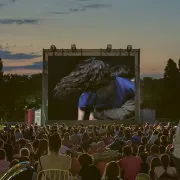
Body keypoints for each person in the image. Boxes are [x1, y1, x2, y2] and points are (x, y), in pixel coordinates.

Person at [54, 59, 135, 121]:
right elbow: (82, 106)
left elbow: (125, 113)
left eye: (99, 91)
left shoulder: (129, 87)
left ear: (110, 83)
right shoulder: (91, 90)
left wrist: (97, 114)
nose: (96, 94)